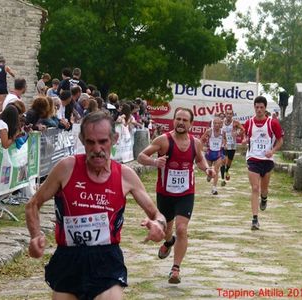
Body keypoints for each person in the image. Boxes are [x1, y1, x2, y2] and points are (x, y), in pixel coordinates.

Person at [25, 111, 166, 299]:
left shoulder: (125, 175)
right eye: (90, 142)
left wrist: (159, 225)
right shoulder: (66, 168)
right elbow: (33, 204)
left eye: (103, 141)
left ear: (114, 139)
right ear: (82, 140)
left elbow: (156, 214)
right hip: (68, 257)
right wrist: (35, 236)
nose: (97, 148)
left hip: (106, 258)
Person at [137, 107, 214, 284]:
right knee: (167, 231)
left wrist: (207, 169)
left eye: (184, 120)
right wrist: (154, 161)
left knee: (182, 229)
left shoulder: (195, 143)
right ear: (173, 121)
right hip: (165, 193)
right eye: (178, 119)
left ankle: (175, 269)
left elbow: (200, 159)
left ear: (191, 124)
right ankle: (168, 242)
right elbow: (141, 156)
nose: (180, 122)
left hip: (186, 193)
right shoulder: (163, 140)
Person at [243, 96, 284, 230]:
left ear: (265, 108)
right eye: (257, 107)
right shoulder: (249, 123)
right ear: (254, 107)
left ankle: (264, 198)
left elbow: (280, 141)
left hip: (267, 160)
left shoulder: (273, 123)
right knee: (255, 188)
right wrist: (245, 140)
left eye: (261, 107)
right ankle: (255, 219)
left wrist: (272, 151)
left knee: (264, 189)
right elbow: (246, 136)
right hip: (253, 159)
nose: (259, 110)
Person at [220, 108, 244, 186]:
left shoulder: (235, 123)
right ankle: (222, 179)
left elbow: (243, 129)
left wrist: (237, 133)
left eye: (231, 114)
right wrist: (224, 143)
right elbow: (222, 135)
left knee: (229, 162)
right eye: (228, 114)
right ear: (225, 114)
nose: (229, 115)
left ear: (232, 115)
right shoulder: (222, 122)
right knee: (223, 161)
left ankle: (227, 171)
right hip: (225, 145)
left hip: (233, 145)